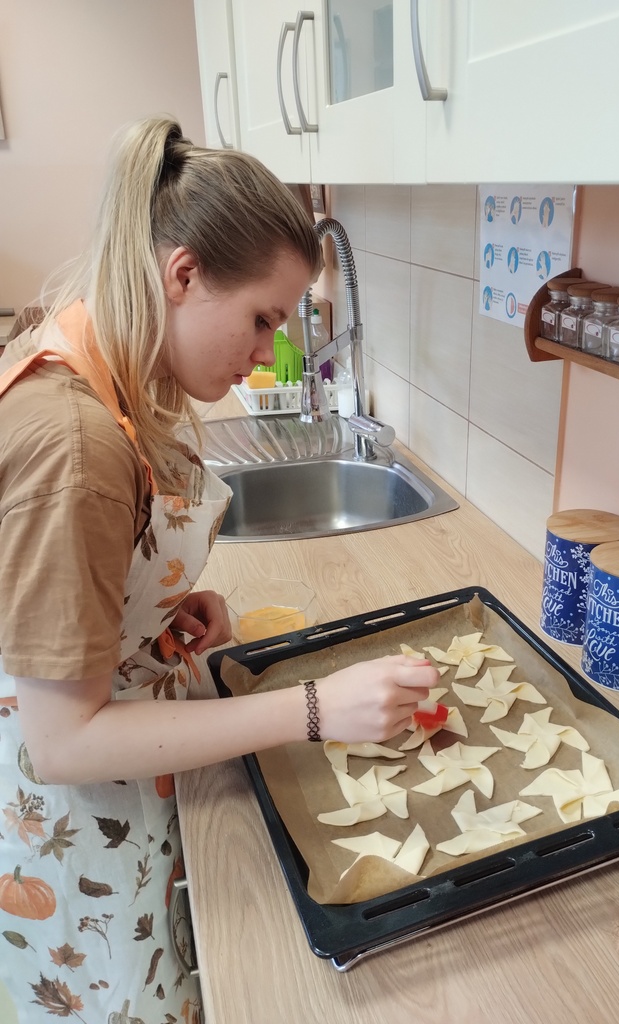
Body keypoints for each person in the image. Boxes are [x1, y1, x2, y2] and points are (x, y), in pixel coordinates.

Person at [0, 117, 437, 1022]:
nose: (269, 351)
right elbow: (64, 741)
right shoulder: (76, 447)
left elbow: (54, 577)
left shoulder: (92, 358)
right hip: (70, 829)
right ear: (185, 274)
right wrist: (315, 709)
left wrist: (143, 607)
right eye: (263, 319)